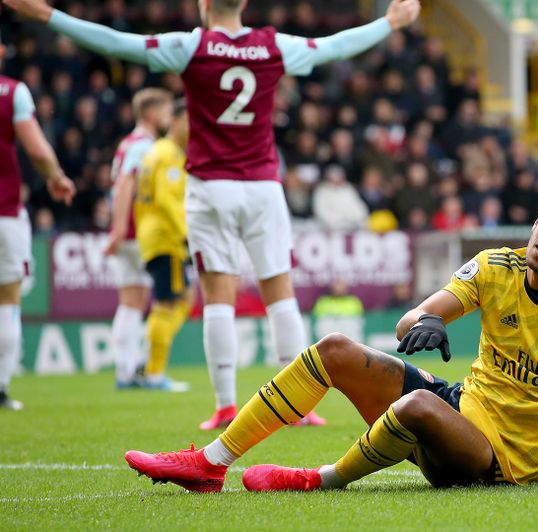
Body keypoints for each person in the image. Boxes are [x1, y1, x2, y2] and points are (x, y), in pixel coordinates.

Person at [123, 176, 538, 492]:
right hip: (461, 409)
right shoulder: (496, 267)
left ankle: (320, 480)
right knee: (335, 349)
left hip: (500, 461)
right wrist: (426, 321)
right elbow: (413, 319)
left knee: (420, 405)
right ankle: (211, 464)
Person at [3, 0, 422, 428]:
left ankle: (225, 405)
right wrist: (389, 22)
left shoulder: (192, 47)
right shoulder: (272, 46)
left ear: (204, 4)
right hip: (262, 187)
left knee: (218, 299)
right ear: (244, 3)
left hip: (210, 187)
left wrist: (47, 15)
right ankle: (299, 407)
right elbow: (336, 46)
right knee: (280, 295)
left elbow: (115, 43)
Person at [0, 32, 76, 410]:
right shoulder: (12, 92)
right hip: (5, 211)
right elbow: (36, 148)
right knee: (8, 300)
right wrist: (56, 176)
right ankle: (0, 387)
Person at [106, 88, 173, 389]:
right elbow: (125, 185)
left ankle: (127, 370)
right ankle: (131, 369)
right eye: (167, 112)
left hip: (130, 231)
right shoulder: (144, 146)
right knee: (136, 300)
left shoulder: (128, 143)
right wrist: (120, 229)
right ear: (152, 114)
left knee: (131, 301)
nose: (170, 119)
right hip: (136, 232)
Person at [133, 100, 193, 391]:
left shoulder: (156, 151)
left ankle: (150, 360)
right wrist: (186, 234)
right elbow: (167, 200)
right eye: (191, 122)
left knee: (183, 298)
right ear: (176, 121)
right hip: (166, 236)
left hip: (153, 233)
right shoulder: (169, 154)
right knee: (166, 303)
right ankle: (154, 371)